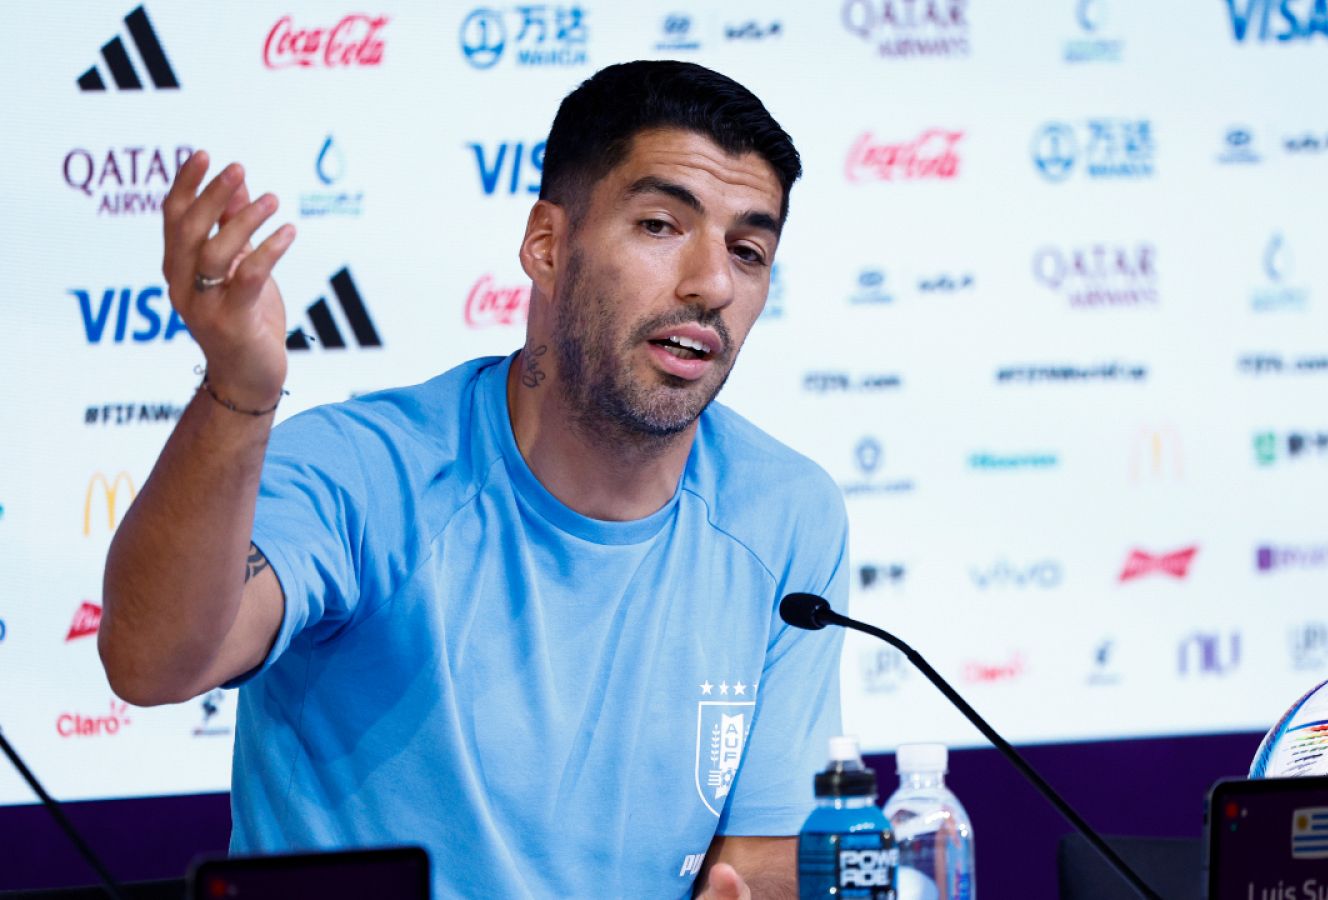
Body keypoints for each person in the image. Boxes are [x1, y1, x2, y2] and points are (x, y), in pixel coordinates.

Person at [98, 60, 848, 900]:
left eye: (747, 251)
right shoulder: (363, 468)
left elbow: (762, 857)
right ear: (547, 245)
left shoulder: (788, 514)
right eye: (660, 225)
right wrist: (240, 390)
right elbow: (150, 663)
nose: (712, 284)